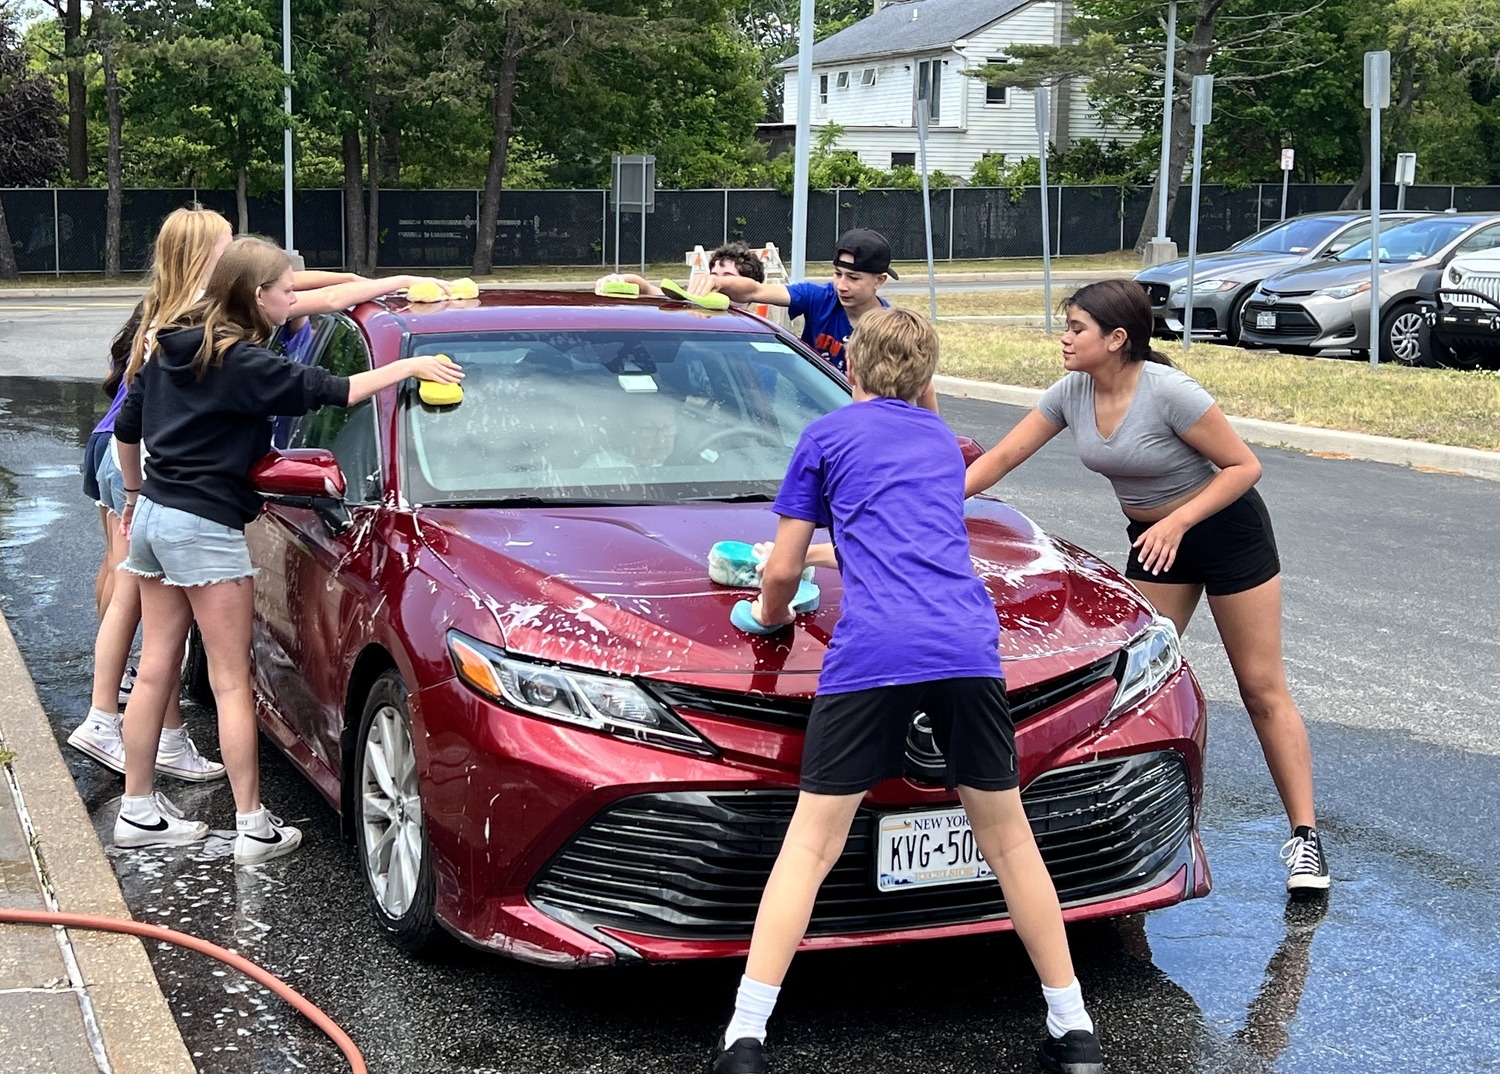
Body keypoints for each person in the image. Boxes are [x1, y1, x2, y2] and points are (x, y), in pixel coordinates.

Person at [714, 307, 1102, 1074]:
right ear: (928, 379)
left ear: (847, 368)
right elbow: (897, 527)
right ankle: (1074, 1024)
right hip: (964, 644)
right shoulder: (938, 440)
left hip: (875, 652)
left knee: (813, 842)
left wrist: (766, 610)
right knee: (1010, 839)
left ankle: (747, 1033)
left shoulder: (823, 438)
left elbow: (784, 570)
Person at [962, 279, 1329, 895]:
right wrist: (924, 503)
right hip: (1157, 541)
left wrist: (1179, 521)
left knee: (1261, 687)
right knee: (1134, 675)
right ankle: (1120, 827)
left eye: (1076, 327)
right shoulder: (1072, 392)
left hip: (1224, 531)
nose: (1064, 337)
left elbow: (1244, 466)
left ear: (1117, 338)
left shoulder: (1168, 393)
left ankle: (1306, 841)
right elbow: (998, 460)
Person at [111, 236, 463, 865]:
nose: (293, 299)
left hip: (156, 519)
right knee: (230, 680)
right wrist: (410, 367)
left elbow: (128, 430)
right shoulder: (244, 363)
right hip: (204, 525)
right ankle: (252, 827)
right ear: (257, 295)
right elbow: (334, 389)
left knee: (157, 662)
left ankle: (137, 811)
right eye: (285, 291)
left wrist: (137, 492)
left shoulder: (169, 343)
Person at [69, 206, 234, 782]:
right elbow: (295, 292)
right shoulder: (202, 307)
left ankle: (145, 728)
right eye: (227, 243)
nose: (233, 251)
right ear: (207, 253)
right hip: (130, 456)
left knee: (122, 584)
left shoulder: (161, 301)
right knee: (140, 598)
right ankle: (105, 719)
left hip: (107, 444)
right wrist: (378, 283)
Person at [688, 228, 894, 376]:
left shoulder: (893, 329)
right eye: (837, 274)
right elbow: (755, 290)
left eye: (853, 278)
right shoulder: (819, 298)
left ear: (879, 280)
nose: (841, 285)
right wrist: (717, 281)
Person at [596, 240, 765, 301]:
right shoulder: (694, 302)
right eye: (713, 276)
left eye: (727, 278)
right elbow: (648, 289)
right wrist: (620, 279)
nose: (714, 283)